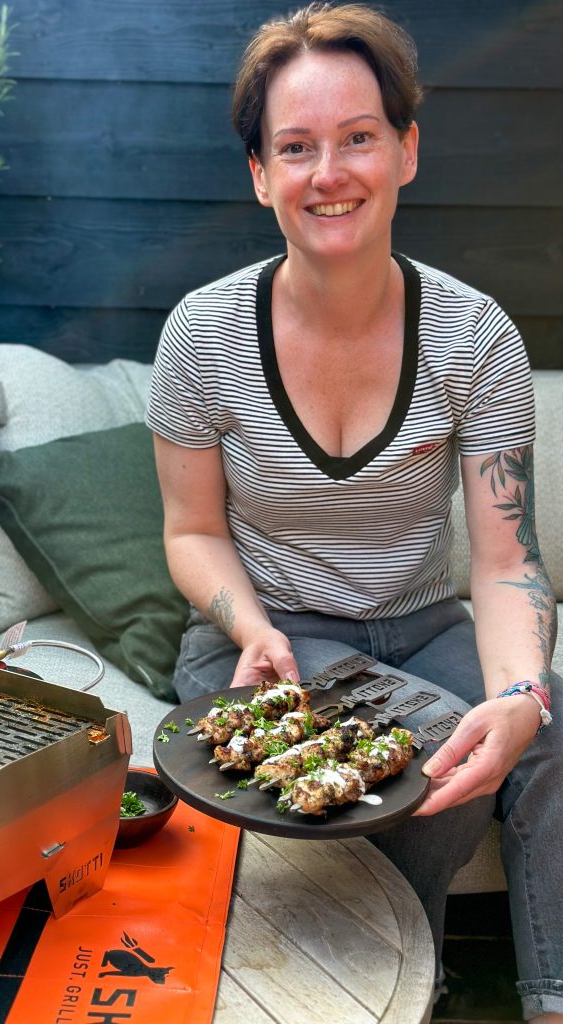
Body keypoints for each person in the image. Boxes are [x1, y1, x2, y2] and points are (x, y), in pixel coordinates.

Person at [145, 3, 561, 1020]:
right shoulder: (200, 336)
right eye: (296, 147)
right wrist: (248, 625)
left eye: (358, 137)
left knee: (543, 720)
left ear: (408, 150)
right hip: (266, 639)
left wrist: (522, 692)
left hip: (420, 629)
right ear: (260, 174)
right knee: (412, 736)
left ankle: (545, 997)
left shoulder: (477, 338)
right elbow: (192, 530)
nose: (328, 172)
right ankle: (377, 988)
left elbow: (507, 563)